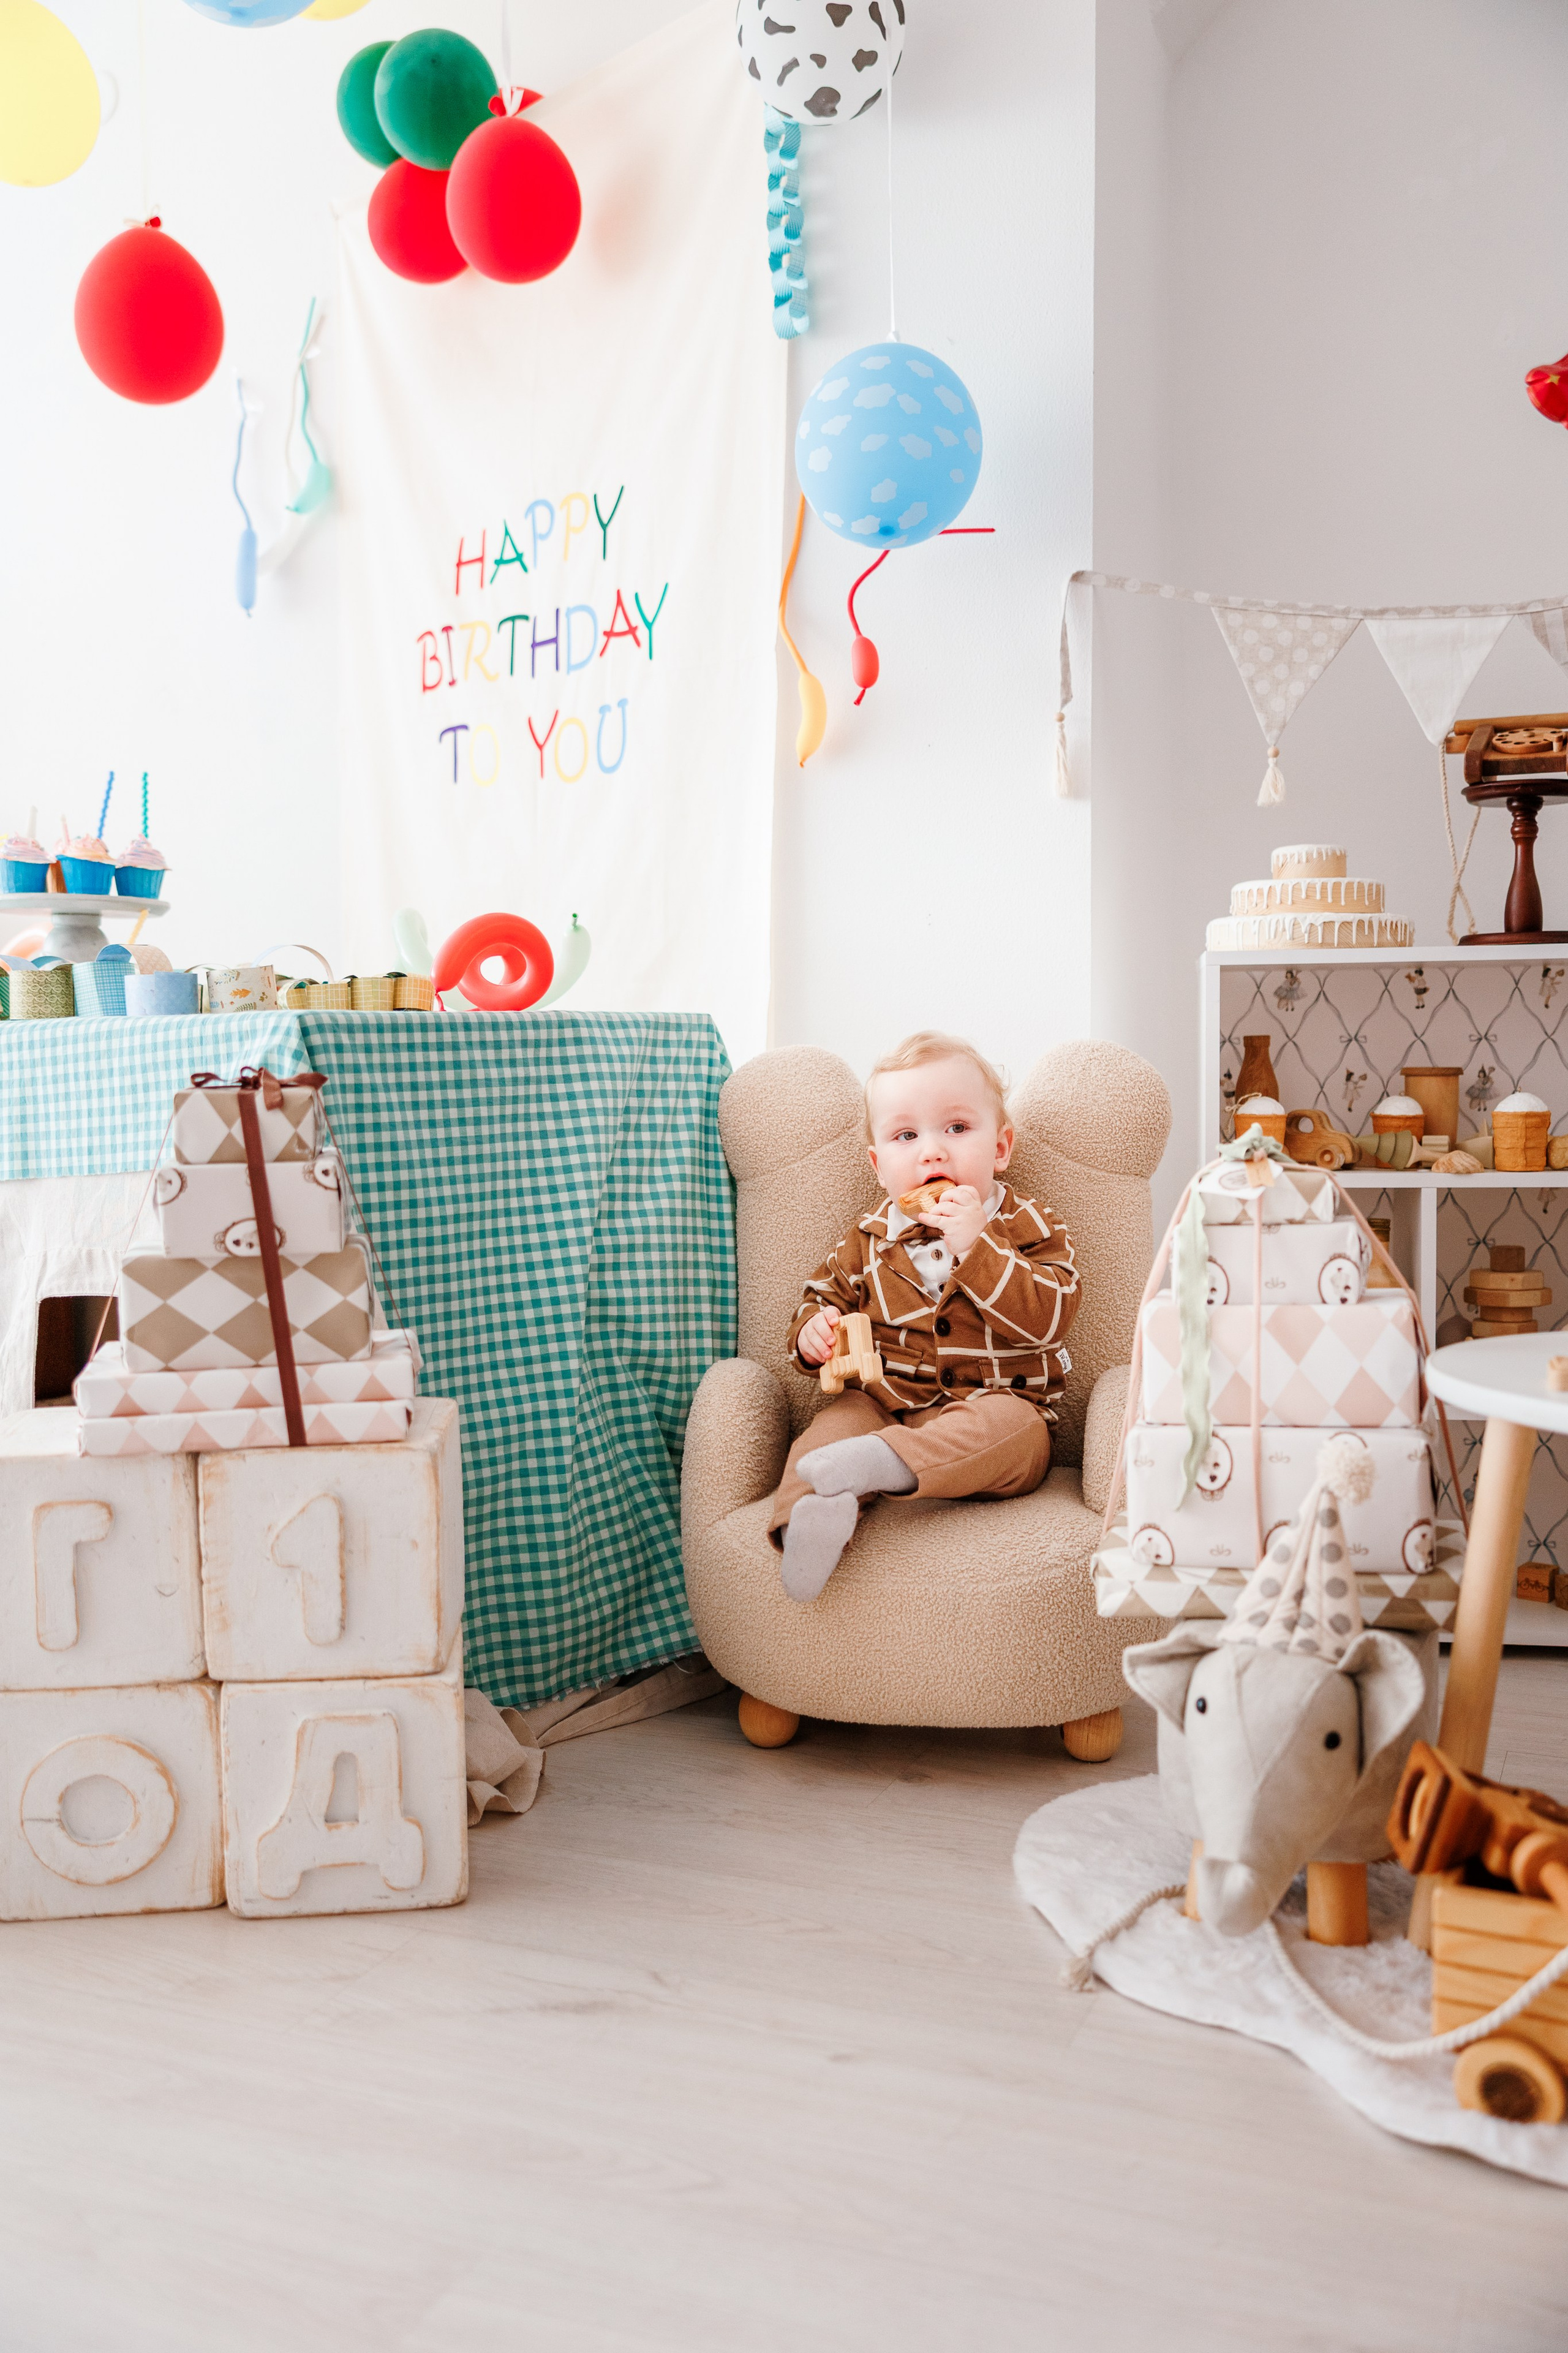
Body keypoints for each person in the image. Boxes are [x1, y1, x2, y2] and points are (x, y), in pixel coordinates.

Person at [768, 1030, 1080, 1601]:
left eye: (957, 1129)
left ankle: (879, 1466)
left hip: (996, 1407)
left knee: (1018, 1432)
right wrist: (812, 1332)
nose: (932, 1151)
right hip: (884, 1404)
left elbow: (1049, 1318)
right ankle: (805, 1523)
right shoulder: (868, 1240)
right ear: (879, 1166)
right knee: (830, 1431)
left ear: (1001, 1147)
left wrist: (978, 1246)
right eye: (906, 1135)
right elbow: (821, 1297)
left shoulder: (1030, 1226)